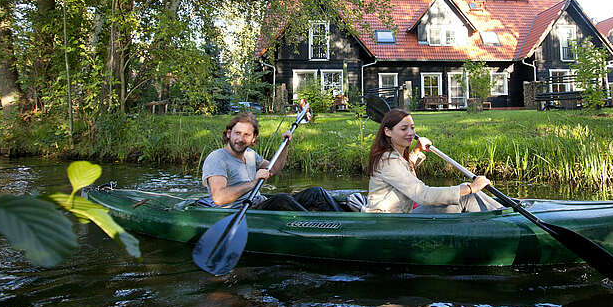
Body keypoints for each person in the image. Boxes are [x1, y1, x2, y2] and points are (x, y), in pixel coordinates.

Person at [362, 108, 502, 213]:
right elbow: (423, 195)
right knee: (467, 195)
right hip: (390, 221)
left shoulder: (393, 155)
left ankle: (504, 214)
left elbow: (403, 170)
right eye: (404, 129)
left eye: (412, 128)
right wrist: (471, 188)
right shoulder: (387, 160)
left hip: (403, 213)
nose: (411, 133)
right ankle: (506, 221)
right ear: (388, 132)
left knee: (467, 192)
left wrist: (417, 151)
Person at [201, 112, 339, 211]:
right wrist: (253, 184)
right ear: (228, 133)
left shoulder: (250, 154)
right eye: (237, 133)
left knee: (316, 193)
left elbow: (274, 169)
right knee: (282, 200)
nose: (241, 139)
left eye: (247, 135)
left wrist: (285, 146)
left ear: (253, 138)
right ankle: (315, 227)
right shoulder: (217, 158)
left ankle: (346, 222)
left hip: (258, 203)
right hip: (241, 211)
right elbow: (219, 198)